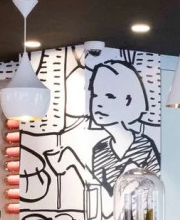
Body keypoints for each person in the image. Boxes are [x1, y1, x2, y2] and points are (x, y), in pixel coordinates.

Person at [45, 60, 159, 196]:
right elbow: (100, 192)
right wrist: (72, 161)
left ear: (128, 100)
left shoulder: (144, 147)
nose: (99, 103)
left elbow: (150, 193)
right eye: (95, 95)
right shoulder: (100, 149)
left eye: (109, 96)